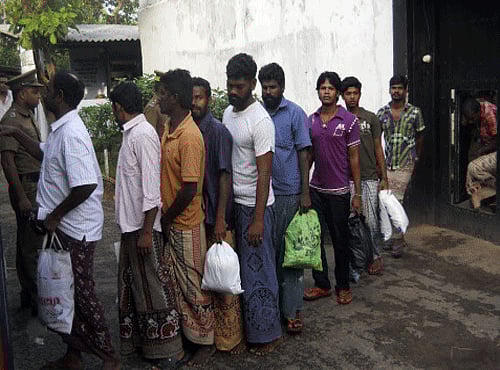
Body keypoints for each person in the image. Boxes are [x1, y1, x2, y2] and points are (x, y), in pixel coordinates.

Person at [0, 71, 120, 370]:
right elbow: (44, 153)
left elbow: (85, 185)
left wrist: (54, 216)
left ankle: (109, 357)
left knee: (81, 293)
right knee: (66, 293)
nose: (43, 95)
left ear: (60, 97)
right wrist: (15, 134)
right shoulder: (60, 130)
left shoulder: (71, 134)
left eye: (49, 90)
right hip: (67, 226)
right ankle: (73, 355)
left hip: (76, 228)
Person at [109, 82, 183, 367]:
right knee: (133, 289)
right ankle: (146, 346)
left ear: (119, 108)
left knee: (154, 289)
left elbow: (151, 190)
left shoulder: (142, 136)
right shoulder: (132, 135)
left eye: (114, 108)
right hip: (132, 228)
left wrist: (145, 231)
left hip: (143, 230)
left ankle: (170, 350)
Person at [223, 53, 282, 355]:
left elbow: (265, 172)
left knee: (261, 272)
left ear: (252, 84)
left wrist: (258, 219)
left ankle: (268, 334)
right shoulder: (227, 114)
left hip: (256, 207)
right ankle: (246, 332)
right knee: (241, 274)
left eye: (240, 86)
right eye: (230, 85)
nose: (234, 91)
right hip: (234, 204)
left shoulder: (261, 120)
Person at [156, 69, 215, 367]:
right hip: (173, 221)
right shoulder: (171, 126)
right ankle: (192, 338)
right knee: (178, 286)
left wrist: (167, 218)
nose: (159, 98)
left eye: (163, 93)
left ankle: (206, 342)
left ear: (175, 98)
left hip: (186, 222)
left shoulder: (190, 136)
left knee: (193, 286)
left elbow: (191, 187)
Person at [191, 77, 246, 355]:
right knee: (204, 278)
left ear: (208, 100)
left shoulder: (217, 132)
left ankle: (229, 340)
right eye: (190, 97)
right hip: (196, 218)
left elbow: (225, 176)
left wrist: (222, 218)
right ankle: (206, 336)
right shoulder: (189, 130)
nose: (194, 103)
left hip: (217, 216)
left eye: (199, 97)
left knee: (224, 280)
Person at [257, 63, 311, 333]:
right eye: (264, 87)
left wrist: (305, 192)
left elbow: (304, 154)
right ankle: (270, 310)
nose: (268, 92)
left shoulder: (295, 114)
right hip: (261, 197)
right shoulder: (256, 115)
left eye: (273, 87)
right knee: (266, 255)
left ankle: (292, 311)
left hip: (289, 194)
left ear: (282, 87)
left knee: (290, 257)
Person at [303, 71, 361, 305]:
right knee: (316, 238)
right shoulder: (312, 120)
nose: (326, 91)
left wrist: (356, 193)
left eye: (330, 88)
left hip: (339, 192)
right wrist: (303, 188)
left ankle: (343, 286)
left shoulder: (349, 121)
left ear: (337, 92)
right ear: (318, 91)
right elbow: (308, 156)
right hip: (316, 189)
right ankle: (322, 284)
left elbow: (354, 158)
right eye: (322, 87)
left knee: (340, 240)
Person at [0, 70, 44, 316]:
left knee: (27, 242)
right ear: (21, 94)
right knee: (30, 245)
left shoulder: (27, 116)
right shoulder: (11, 121)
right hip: (25, 185)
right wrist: (22, 197)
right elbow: (8, 164)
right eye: (34, 91)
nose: (38, 95)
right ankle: (35, 297)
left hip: (35, 182)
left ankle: (28, 294)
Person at [341, 76, 387, 275]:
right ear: (343, 96)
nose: (351, 97)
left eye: (355, 93)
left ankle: (375, 256)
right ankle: (356, 258)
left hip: (368, 176)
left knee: (370, 220)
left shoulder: (371, 118)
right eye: (348, 93)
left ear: (360, 94)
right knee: (350, 222)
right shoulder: (339, 119)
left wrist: (383, 177)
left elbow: (378, 148)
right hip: (345, 178)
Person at [376, 75, 425, 258]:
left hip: (406, 162)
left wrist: (416, 157)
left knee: (396, 199)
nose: (396, 91)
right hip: (387, 162)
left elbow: (420, 135)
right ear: (389, 90)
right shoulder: (382, 113)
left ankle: (398, 239)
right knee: (385, 199)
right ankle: (394, 236)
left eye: (399, 88)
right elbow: (376, 139)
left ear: (406, 90)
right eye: (393, 88)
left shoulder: (414, 112)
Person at [462, 97, 497, 208]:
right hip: (486, 142)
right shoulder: (475, 106)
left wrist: (484, 150)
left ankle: (493, 189)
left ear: (477, 112)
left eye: (472, 118)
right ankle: (478, 201)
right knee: (472, 161)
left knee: (473, 167)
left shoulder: (489, 113)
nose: (471, 122)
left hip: (494, 146)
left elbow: (497, 139)